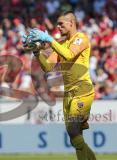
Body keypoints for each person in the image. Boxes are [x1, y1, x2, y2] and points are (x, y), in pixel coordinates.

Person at [23, 11, 96, 160]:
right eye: (57, 24)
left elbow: (69, 54)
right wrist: (37, 52)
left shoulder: (81, 38)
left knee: (73, 129)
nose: (58, 26)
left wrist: (50, 39)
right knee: (75, 136)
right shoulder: (61, 43)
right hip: (68, 93)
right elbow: (48, 67)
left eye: (61, 24)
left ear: (71, 23)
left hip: (82, 90)